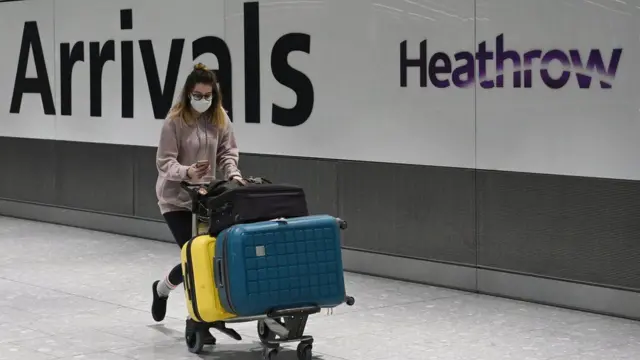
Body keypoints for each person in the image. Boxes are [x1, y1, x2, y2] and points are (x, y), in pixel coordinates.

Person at [151, 63, 243, 324]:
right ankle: (189, 309)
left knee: (210, 254)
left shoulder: (220, 117)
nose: (203, 100)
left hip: (206, 198)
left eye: (208, 96)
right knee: (194, 256)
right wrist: (187, 172)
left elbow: (227, 152)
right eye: (198, 96)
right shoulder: (174, 121)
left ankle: (165, 289)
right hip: (175, 199)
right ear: (188, 94)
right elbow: (164, 162)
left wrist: (233, 173)